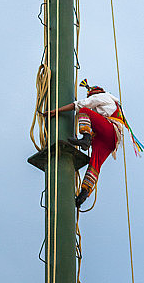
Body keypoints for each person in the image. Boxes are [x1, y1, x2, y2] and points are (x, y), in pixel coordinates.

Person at [47, 80, 124, 208]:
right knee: (95, 164)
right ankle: (85, 191)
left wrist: (58, 111)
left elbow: (82, 105)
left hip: (110, 131)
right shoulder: (114, 105)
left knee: (84, 111)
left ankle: (86, 139)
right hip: (111, 140)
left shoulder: (102, 97)